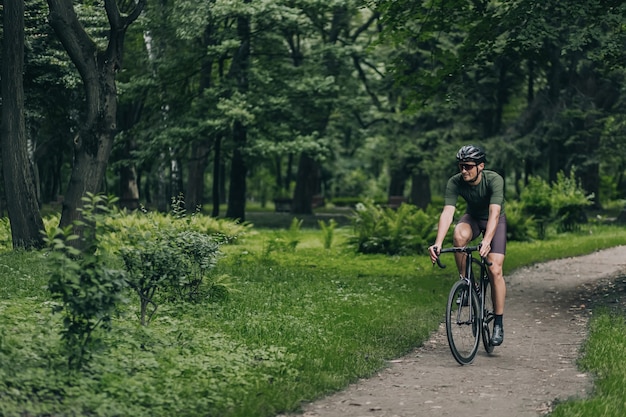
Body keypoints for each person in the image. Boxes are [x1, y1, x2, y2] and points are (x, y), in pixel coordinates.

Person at [428, 145, 507, 346]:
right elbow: (447, 213)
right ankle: (468, 283)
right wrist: (437, 243)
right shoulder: (455, 182)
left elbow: (494, 214)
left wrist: (487, 241)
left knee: (495, 269)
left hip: (493, 221)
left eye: (468, 166)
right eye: (461, 166)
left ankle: (498, 322)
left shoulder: (494, 180)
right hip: (472, 217)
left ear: (481, 166)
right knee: (458, 235)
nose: (463, 170)